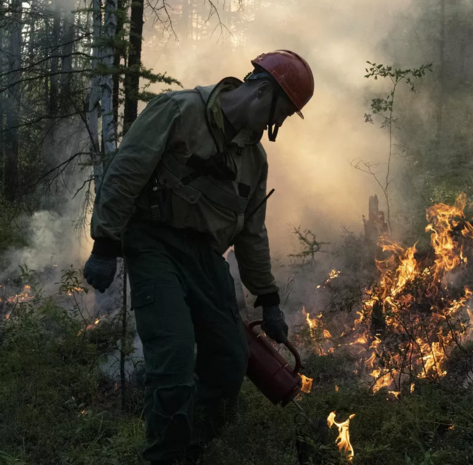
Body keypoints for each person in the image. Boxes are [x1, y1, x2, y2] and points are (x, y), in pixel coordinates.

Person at [81, 50, 314, 464]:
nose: (272, 127)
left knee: (230, 358)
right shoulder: (178, 110)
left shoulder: (254, 160)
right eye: (276, 116)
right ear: (261, 92)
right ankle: (165, 456)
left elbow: (251, 233)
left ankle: (191, 445)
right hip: (154, 243)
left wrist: (269, 298)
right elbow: (126, 173)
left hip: (207, 257)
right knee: (173, 357)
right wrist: (105, 244)